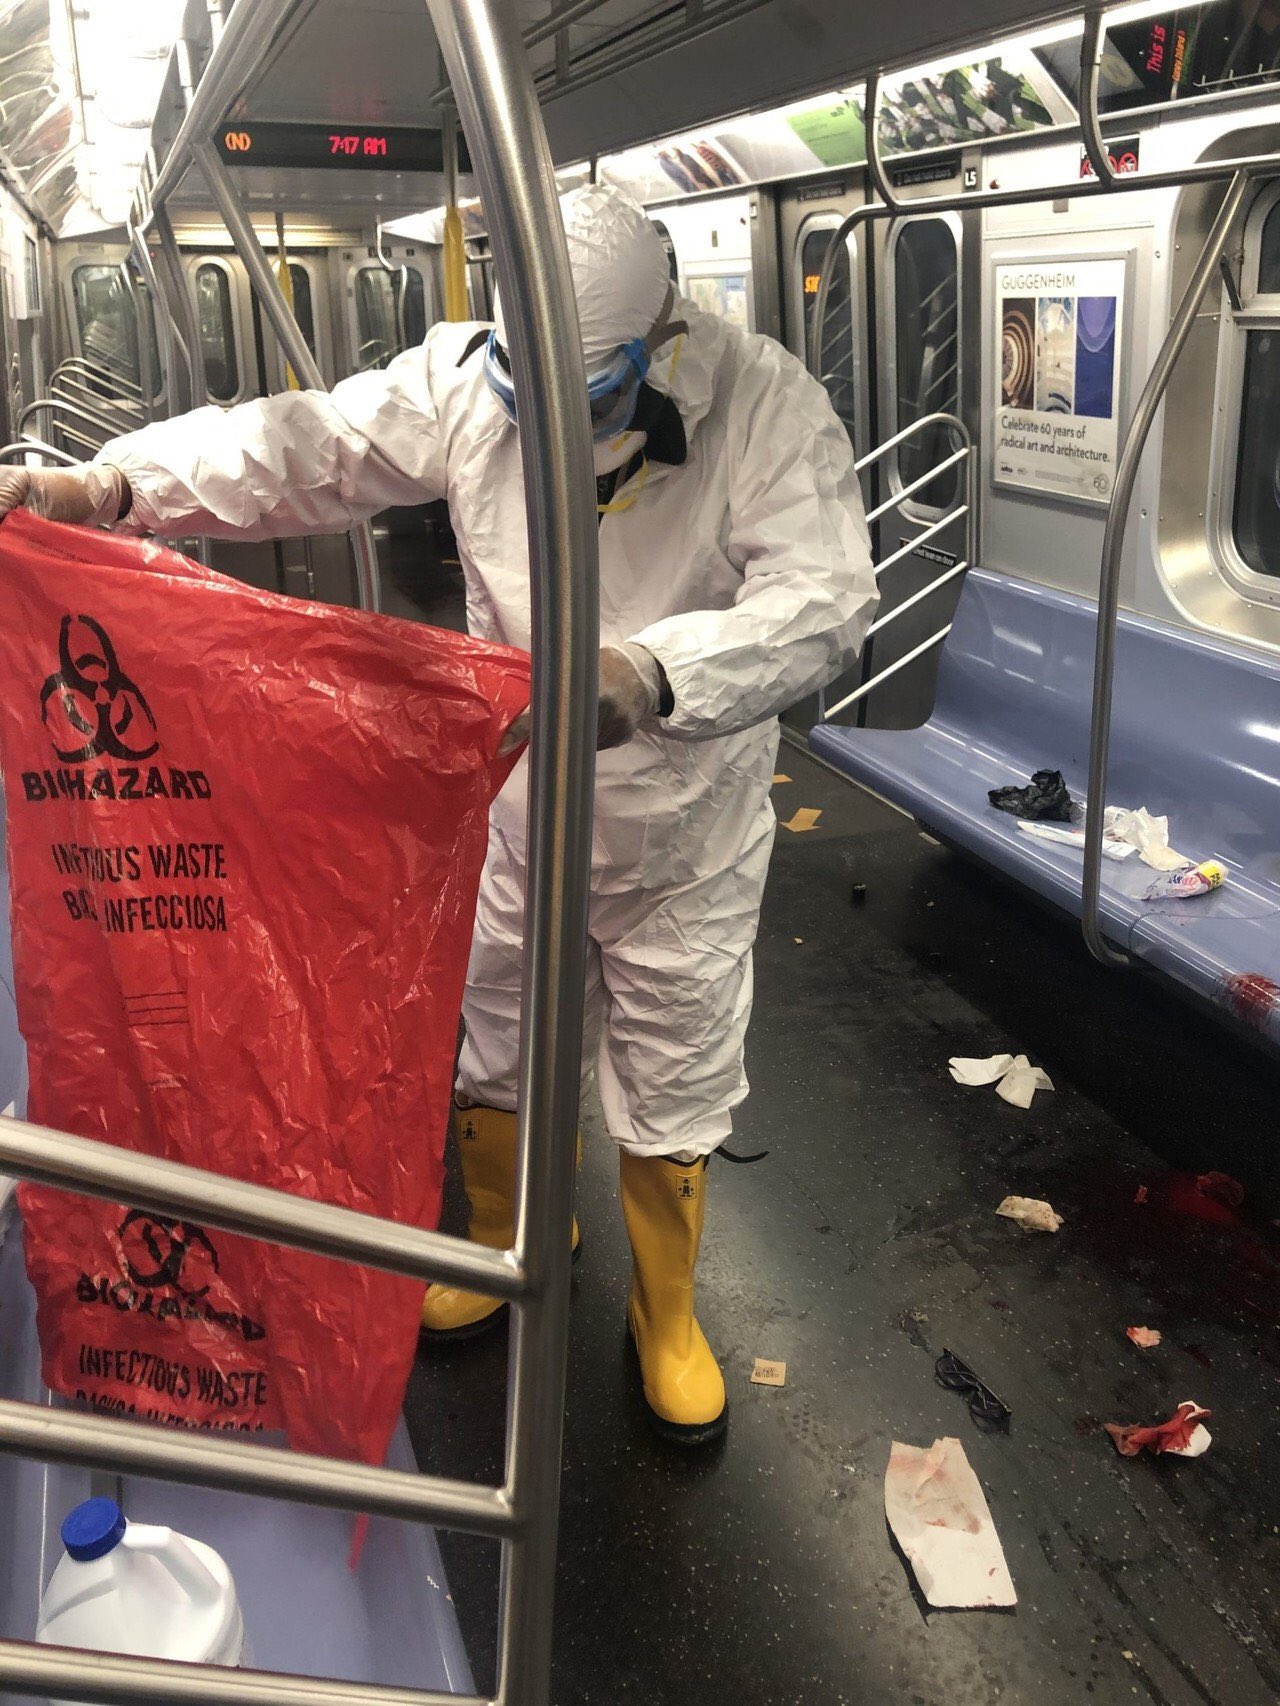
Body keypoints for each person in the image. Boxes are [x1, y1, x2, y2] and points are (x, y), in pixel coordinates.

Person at [0, 185, 876, 1446]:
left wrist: (656, 671)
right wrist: (114, 484)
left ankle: (666, 1312)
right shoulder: (468, 383)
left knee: (674, 1057)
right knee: (500, 1029)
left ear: (658, 346)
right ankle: (511, 1237)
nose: (549, 425)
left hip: (682, 820)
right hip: (513, 793)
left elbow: (825, 599)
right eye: (531, 392)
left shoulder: (761, 404)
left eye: (585, 396)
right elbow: (306, 443)